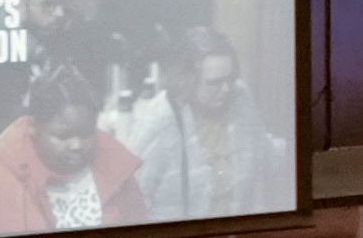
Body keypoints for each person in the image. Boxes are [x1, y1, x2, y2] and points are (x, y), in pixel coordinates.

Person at [0, 64, 140, 237]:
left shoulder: (118, 171)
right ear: (33, 126)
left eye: (86, 133)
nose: (77, 145)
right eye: (63, 136)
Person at [117, 29, 286, 220]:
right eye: (214, 83)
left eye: (231, 79)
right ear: (186, 80)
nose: (226, 89)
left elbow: (265, 156)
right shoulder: (160, 120)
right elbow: (132, 200)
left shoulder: (240, 99)